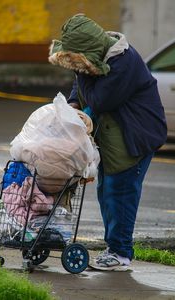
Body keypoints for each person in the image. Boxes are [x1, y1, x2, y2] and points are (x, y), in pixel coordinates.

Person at [48, 14, 167, 271]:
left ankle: (121, 254)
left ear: (89, 52)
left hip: (134, 137)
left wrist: (83, 77)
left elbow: (101, 100)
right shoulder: (100, 57)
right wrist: (73, 104)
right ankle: (114, 249)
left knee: (121, 194)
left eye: (79, 62)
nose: (77, 69)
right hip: (113, 136)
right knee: (107, 193)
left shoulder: (123, 63)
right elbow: (81, 86)